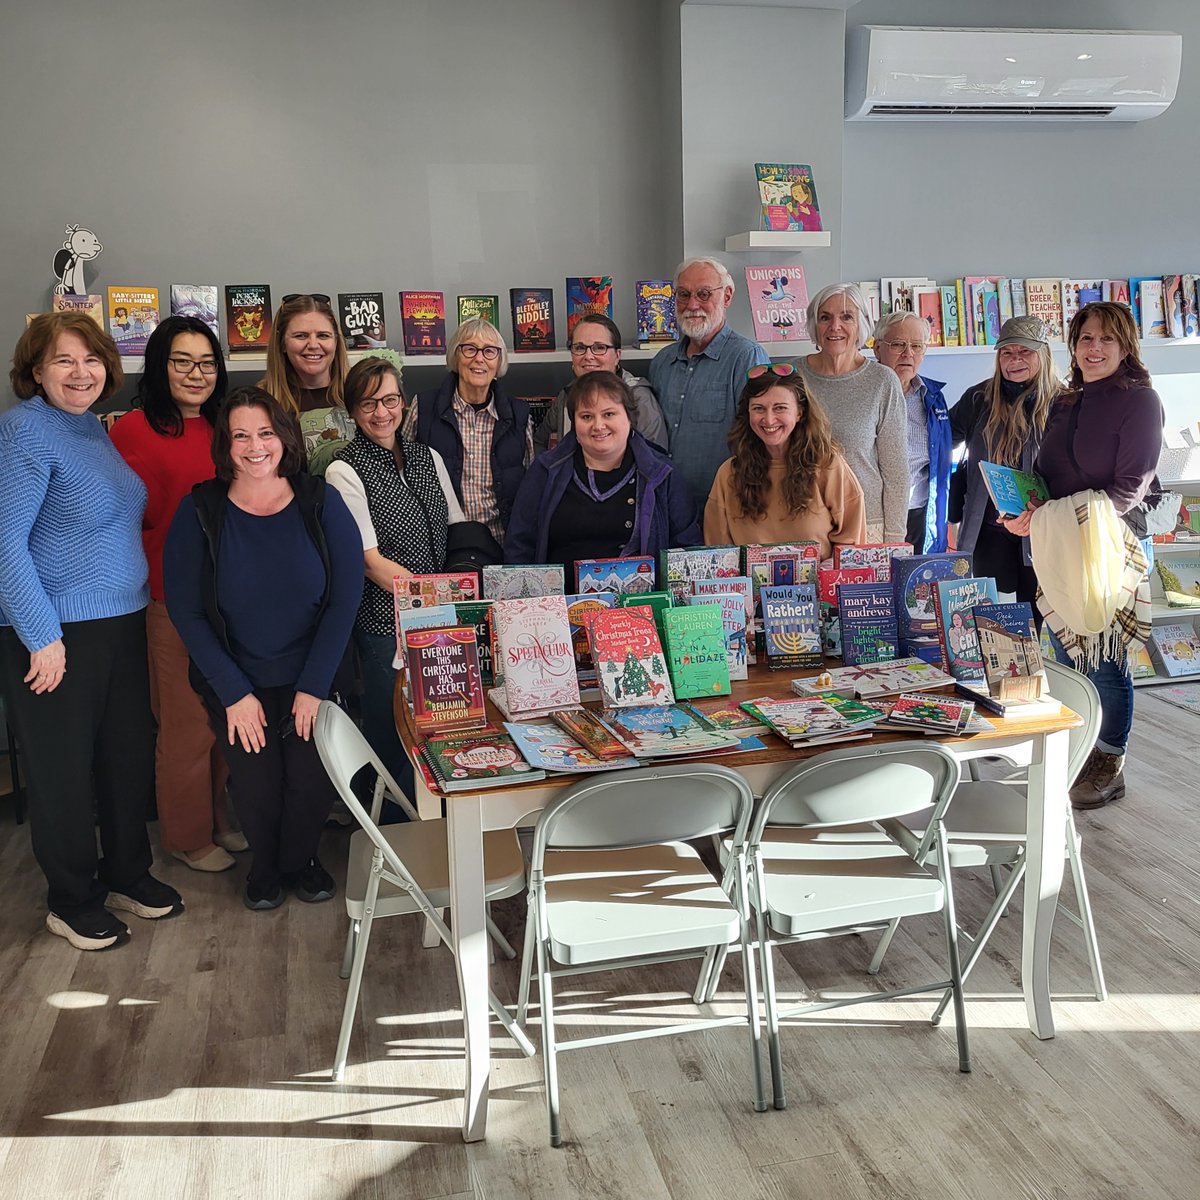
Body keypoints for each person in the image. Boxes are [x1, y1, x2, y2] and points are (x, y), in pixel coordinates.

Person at [0, 312, 184, 951]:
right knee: (63, 772)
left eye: (91, 360)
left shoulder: (89, 430)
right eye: (63, 361)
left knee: (124, 760)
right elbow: (5, 543)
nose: (81, 373)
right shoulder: (23, 432)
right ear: (35, 371)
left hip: (120, 622)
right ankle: (72, 899)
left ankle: (127, 873)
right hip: (57, 635)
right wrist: (40, 634)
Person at [164, 387, 362, 910]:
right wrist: (234, 693)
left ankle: (303, 860)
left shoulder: (320, 500)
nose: (255, 446)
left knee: (309, 782)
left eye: (266, 433)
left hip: (313, 678)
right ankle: (267, 867)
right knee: (256, 787)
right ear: (225, 444)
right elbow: (186, 611)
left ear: (285, 438)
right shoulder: (200, 510)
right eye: (241, 435)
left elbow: (345, 600)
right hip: (239, 682)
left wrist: (314, 687)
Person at [1001, 303, 1164, 809]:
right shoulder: (1065, 402)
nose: (1094, 349)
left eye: (1106, 340)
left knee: (1106, 662)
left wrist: (1072, 521)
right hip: (1059, 545)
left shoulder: (1140, 400)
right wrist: (1029, 511)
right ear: (1072, 346)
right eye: (1085, 338)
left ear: (1126, 347)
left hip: (1111, 544)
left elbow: (1131, 485)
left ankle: (1109, 760)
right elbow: (1050, 478)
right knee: (1070, 654)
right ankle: (1079, 746)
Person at [110, 316, 246, 874]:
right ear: (160, 366)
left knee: (226, 717)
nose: (196, 373)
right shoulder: (131, 432)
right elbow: (121, 518)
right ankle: (186, 836)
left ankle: (220, 816)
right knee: (186, 722)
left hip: (233, 596)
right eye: (182, 361)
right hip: (171, 596)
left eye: (207, 362)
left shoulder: (227, 426)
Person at [326, 356, 466, 791]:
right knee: (392, 731)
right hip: (385, 626)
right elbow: (369, 562)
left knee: (440, 728)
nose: (382, 413)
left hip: (443, 621)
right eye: (368, 404)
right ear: (352, 411)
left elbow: (457, 529)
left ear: (404, 403)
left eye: (390, 400)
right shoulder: (344, 470)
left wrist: (461, 593)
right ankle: (388, 823)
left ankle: (431, 821)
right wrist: (435, 599)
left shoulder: (429, 458)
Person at [505, 371, 700, 585]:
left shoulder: (663, 474)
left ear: (629, 417)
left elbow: (685, 549)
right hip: (560, 606)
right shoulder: (545, 471)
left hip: (639, 606)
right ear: (574, 422)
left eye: (609, 414)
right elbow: (520, 546)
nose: (598, 426)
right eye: (586, 416)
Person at [951, 315, 1063, 606]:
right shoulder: (978, 398)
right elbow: (940, 440)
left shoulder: (1065, 402)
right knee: (995, 619)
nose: (1015, 360)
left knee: (1039, 616)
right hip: (989, 531)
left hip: (1043, 531)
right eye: (1007, 352)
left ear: (1044, 353)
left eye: (1025, 351)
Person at [703, 366, 867, 556]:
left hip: (819, 584)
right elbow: (718, 553)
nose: (769, 420)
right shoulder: (728, 474)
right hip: (750, 585)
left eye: (780, 408)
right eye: (758, 408)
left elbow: (852, 547)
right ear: (747, 413)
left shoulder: (828, 466)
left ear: (800, 413)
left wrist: (829, 570)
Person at [647, 256, 769, 502]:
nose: (692, 305)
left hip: (722, 505)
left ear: (726, 296)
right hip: (664, 502)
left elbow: (760, 438)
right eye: (683, 294)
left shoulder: (746, 357)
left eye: (704, 294)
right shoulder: (662, 362)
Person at [402, 318, 532, 543]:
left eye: (489, 351)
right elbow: (400, 475)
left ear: (499, 360)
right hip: (441, 544)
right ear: (455, 355)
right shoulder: (423, 407)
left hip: (503, 545)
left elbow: (532, 484)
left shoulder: (519, 415)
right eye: (470, 349)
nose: (479, 358)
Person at [796, 284, 909, 544]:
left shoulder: (882, 381)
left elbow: (896, 471)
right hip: (803, 522)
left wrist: (893, 539)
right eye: (825, 317)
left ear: (862, 325)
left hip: (865, 525)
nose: (835, 326)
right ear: (814, 325)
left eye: (847, 317)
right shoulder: (793, 377)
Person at [872, 310, 954, 552]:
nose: (908, 354)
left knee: (918, 586)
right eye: (898, 344)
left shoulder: (933, 396)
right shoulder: (865, 392)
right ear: (878, 349)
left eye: (917, 346)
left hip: (920, 512)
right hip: (874, 516)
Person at [533, 314, 667, 452]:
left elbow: (655, 462)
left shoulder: (638, 398)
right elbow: (539, 442)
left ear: (617, 355)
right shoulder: (566, 396)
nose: (588, 356)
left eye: (599, 347)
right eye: (579, 348)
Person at [261, 293, 354, 475]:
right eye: (301, 336)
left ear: (336, 341)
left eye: (323, 335)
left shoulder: (360, 393)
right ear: (282, 344)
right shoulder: (261, 402)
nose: (313, 344)